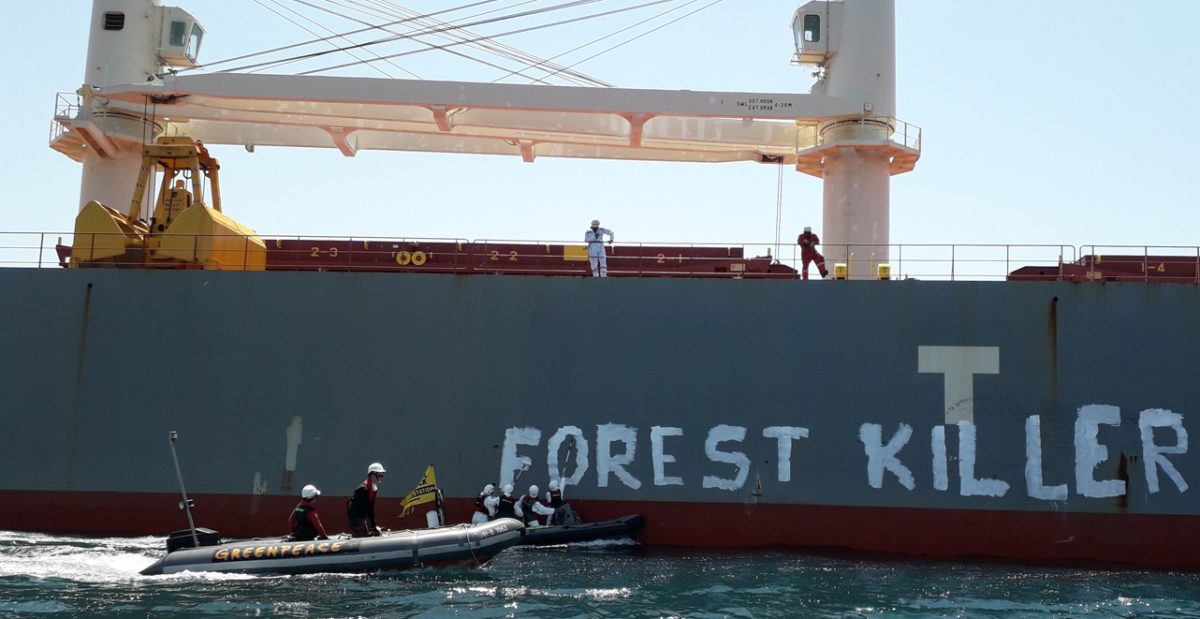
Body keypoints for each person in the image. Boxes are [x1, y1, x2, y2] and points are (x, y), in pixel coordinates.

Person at [347, 462, 386, 537]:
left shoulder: (373, 488)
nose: (381, 477)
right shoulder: (363, 489)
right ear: (372, 474)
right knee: (362, 537)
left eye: (382, 476)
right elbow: (359, 510)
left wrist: (374, 526)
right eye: (379, 475)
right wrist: (366, 527)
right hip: (357, 520)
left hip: (362, 518)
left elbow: (370, 508)